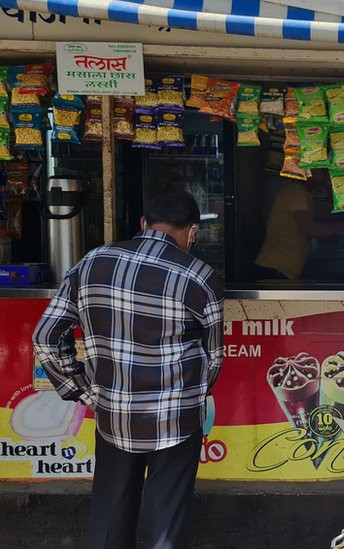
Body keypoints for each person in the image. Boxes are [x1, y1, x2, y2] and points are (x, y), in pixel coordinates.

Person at [32, 190, 224, 549]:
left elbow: (45, 337)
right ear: (192, 231)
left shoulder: (92, 262)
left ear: (143, 223)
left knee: (109, 521)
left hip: (112, 413)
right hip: (175, 417)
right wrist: (191, 394)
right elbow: (213, 358)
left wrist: (84, 390)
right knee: (165, 528)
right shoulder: (200, 276)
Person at [254, 170, 344, 280]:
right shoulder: (297, 192)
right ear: (308, 171)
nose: (325, 176)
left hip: (281, 269)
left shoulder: (302, 194)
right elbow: (308, 229)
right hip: (276, 269)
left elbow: (322, 217)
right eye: (322, 172)